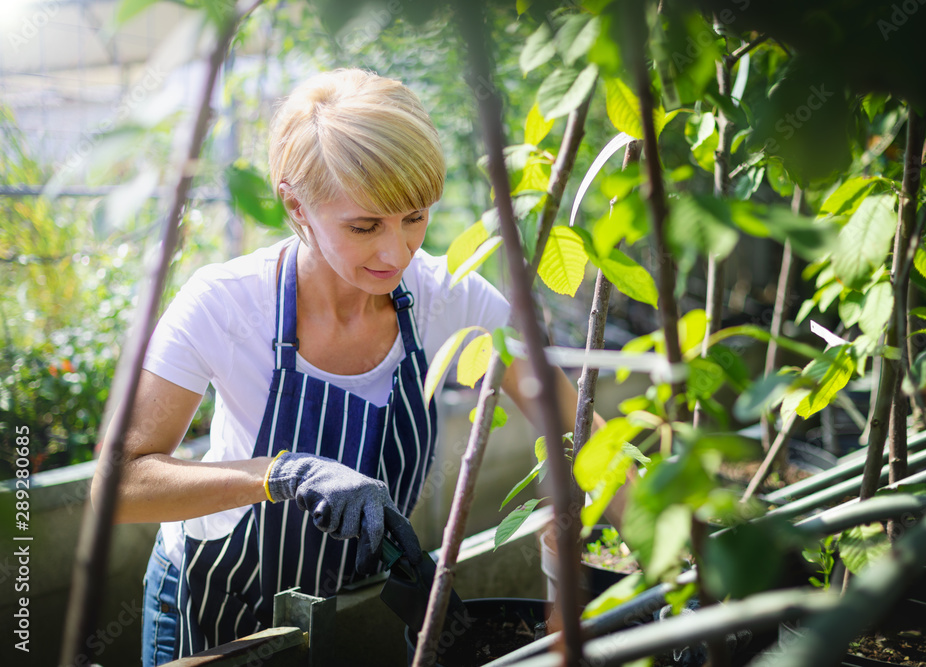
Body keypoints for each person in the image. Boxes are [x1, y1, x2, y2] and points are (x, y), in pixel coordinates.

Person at [95, 69, 587, 666]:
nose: (397, 251)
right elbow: (116, 484)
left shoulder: (447, 297)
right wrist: (283, 474)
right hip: (217, 609)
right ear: (296, 206)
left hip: (356, 606)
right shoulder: (225, 303)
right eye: (364, 226)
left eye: (415, 217)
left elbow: (579, 434)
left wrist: (680, 565)